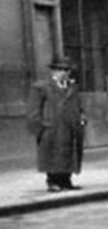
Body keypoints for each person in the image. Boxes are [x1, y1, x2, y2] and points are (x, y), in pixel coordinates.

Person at [26, 56, 86, 192]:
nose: (63, 73)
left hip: (70, 127)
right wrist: (40, 129)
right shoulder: (41, 87)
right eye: (60, 70)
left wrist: (82, 120)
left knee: (69, 153)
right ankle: (53, 181)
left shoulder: (72, 87)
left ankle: (66, 180)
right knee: (52, 154)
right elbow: (33, 111)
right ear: (53, 71)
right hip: (51, 128)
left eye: (66, 70)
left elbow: (78, 106)